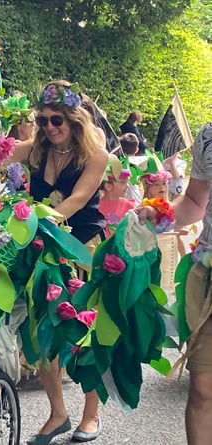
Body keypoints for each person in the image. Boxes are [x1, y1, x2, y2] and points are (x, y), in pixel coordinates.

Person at [11, 80, 108, 444]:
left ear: (75, 122)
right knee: (40, 330)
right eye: (44, 120)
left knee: (82, 332)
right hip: (42, 249)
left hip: (80, 249)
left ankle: (91, 414)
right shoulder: (36, 150)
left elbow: (78, 200)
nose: (49, 128)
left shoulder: (96, 156)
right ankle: (57, 413)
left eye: (57, 121)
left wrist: (41, 217)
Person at [139, 122, 212, 445]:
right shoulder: (208, 135)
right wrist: (160, 215)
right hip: (208, 278)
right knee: (202, 389)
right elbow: (195, 202)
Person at [99, 154, 135, 238]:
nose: (127, 186)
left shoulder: (129, 206)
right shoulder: (97, 206)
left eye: (127, 182)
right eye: (123, 183)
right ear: (108, 186)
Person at [120, 133, 143, 201]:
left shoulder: (118, 164)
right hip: (136, 201)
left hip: (121, 202)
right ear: (137, 149)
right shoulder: (140, 164)